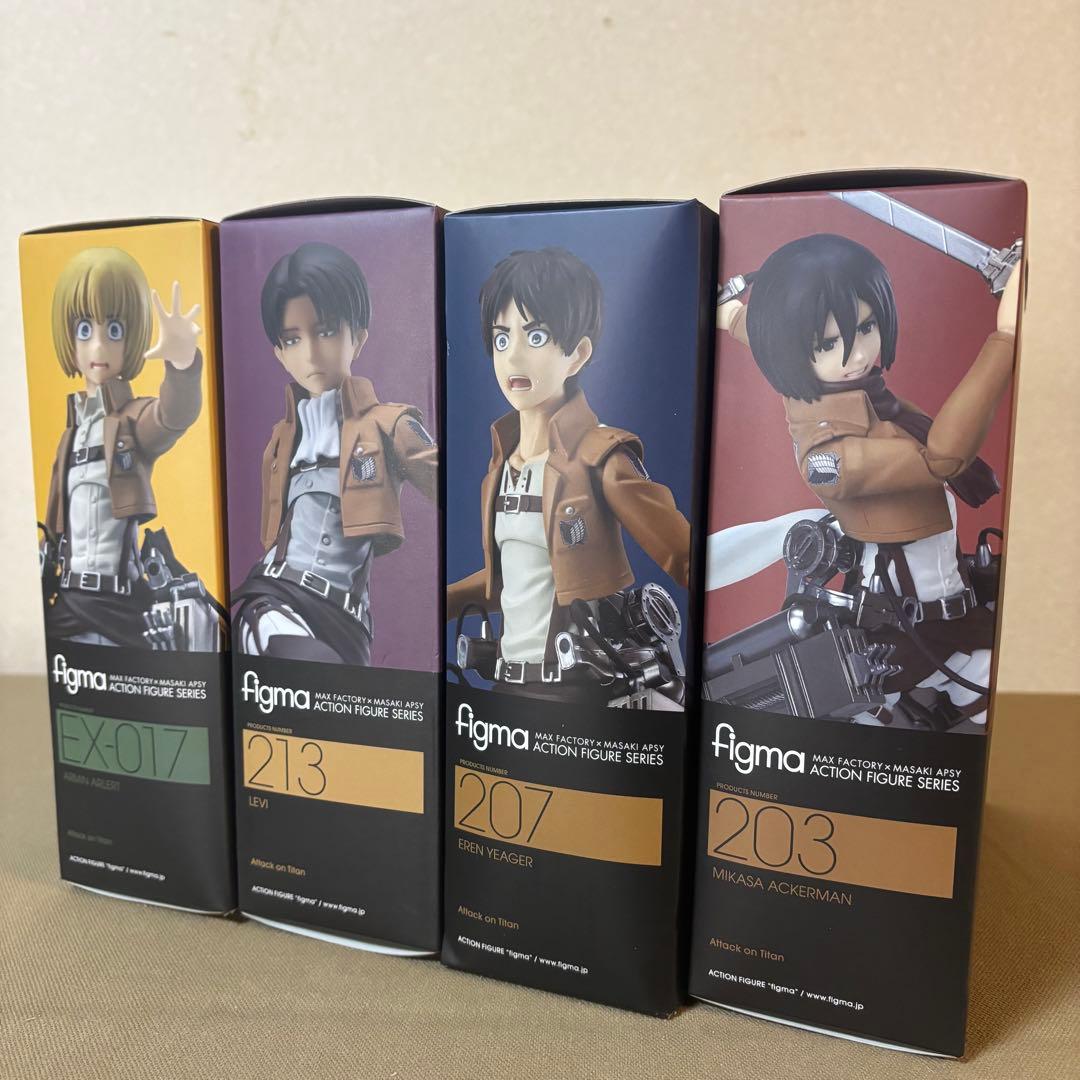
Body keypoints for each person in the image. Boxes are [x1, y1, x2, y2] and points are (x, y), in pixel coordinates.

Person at [717, 233, 1021, 728]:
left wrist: (730, 314)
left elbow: (771, 332)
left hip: (951, 611)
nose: (857, 356)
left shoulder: (861, 395)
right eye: (827, 345)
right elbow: (941, 459)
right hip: (900, 627)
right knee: (870, 720)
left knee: (993, 695)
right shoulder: (828, 452)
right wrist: (1004, 339)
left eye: (866, 327)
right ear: (795, 353)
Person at [448, 247, 690, 702]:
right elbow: (513, 582)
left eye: (536, 336)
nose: (513, 358)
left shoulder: (600, 457)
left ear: (577, 354)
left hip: (578, 692)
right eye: (502, 339)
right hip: (508, 687)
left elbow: (685, 555)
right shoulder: (501, 468)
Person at [233, 242, 437, 665]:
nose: (310, 354)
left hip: (349, 620)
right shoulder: (281, 442)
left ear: (357, 337)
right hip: (278, 599)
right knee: (284, 650)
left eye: (325, 331)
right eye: (292, 339)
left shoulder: (389, 424)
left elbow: (451, 487)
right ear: (279, 353)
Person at [43, 248, 203, 647]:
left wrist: (182, 364)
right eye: (84, 329)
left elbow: (173, 415)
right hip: (69, 601)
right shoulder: (69, 438)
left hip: (121, 605)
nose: (98, 347)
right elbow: (53, 526)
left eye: (113, 330)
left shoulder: (132, 420)